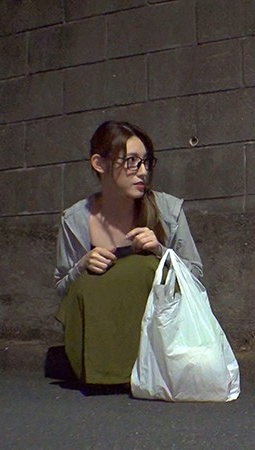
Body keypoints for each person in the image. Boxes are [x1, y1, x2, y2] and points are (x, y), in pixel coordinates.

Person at [54, 120, 203, 390]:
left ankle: (144, 368)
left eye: (146, 162)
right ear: (100, 164)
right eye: (132, 162)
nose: (143, 172)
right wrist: (81, 265)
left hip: (160, 344)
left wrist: (160, 251)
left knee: (145, 267)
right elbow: (64, 294)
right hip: (101, 348)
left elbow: (195, 277)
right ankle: (104, 368)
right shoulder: (75, 221)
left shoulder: (167, 210)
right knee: (88, 282)